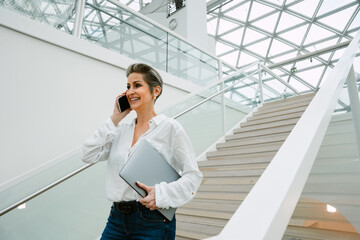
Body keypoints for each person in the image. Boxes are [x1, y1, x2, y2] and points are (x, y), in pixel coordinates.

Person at [81, 63, 203, 240]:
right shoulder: (120, 130)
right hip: (116, 219)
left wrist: (161, 194)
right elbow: (88, 154)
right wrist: (115, 117)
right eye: (128, 87)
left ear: (156, 91)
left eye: (137, 85)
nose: (130, 91)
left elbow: (193, 177)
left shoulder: (170, 128)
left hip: (152, 221)